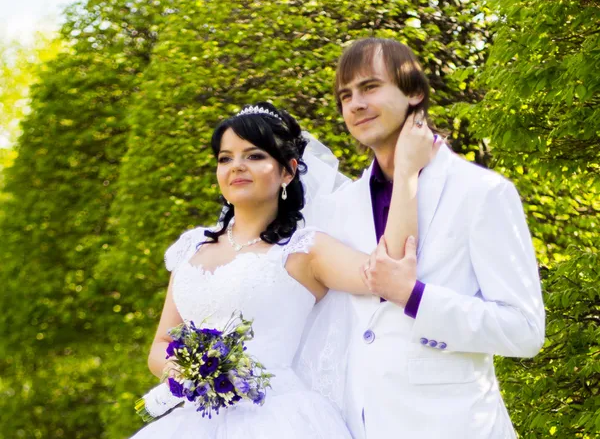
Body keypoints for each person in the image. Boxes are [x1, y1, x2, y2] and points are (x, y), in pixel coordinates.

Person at [131, 101, 438, 438]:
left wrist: (407, 172)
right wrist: (195, 373)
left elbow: (389, 268)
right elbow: (160, 345)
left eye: (254, 156)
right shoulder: (192, 247)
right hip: (193, 419)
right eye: (225, 158)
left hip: (278, 418)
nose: (237, 166)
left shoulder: (304, 250)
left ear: (288, 172)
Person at [318, 37, 546, 438]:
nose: (354, 104)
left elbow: (524, 329)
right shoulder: (340, 205)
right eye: (345, 95)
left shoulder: (482, 192)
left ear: (414, 92)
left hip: (456, 425)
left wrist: (416, 298)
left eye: (370, 87)